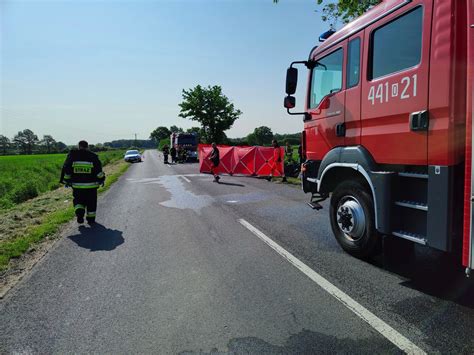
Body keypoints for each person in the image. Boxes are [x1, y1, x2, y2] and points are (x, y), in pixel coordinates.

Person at [60, 140, 105, 224]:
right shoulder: (93, 156)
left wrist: (67, 180)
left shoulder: (73, 156)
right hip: (91, 187)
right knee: (91, 203)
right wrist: (102, 179)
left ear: (78, 146)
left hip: (77, 186)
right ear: (87, 147)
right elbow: (99, 173)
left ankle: (79, 213)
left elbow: (67, 170)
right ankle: (91, 219)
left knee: (78, 201)